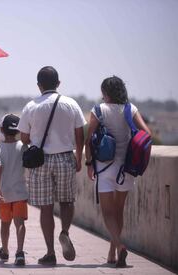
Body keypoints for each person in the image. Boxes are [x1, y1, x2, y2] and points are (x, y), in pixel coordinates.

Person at [18, 66, 86, 265]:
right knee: (67, 200)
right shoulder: (71, 104)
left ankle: (50, 252)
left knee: (46, 207)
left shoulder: (31, 106)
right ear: (58, 83)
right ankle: (64, 232)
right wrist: (79, 158)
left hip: (41, 161)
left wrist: (36, 137)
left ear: (39, 85)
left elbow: (23, 138)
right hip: (65, 157)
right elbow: (80, 134)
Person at [84, 76, 151, 268]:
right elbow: (146, 133)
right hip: (127, 167)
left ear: (105, 93)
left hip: (105, 167)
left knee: (107, 212)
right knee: (119, 210)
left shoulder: (99, 110)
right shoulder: (131, 109)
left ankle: (119, 246)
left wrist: (89, 163)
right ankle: (112, 252)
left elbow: (89, 140)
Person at [0, 114, 29, 266]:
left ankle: (5, 250)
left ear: (1, 129)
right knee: (19, 223)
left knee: (5, 223)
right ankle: (19, 252)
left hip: (5, 193)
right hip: (20, 191)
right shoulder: (23, 146)